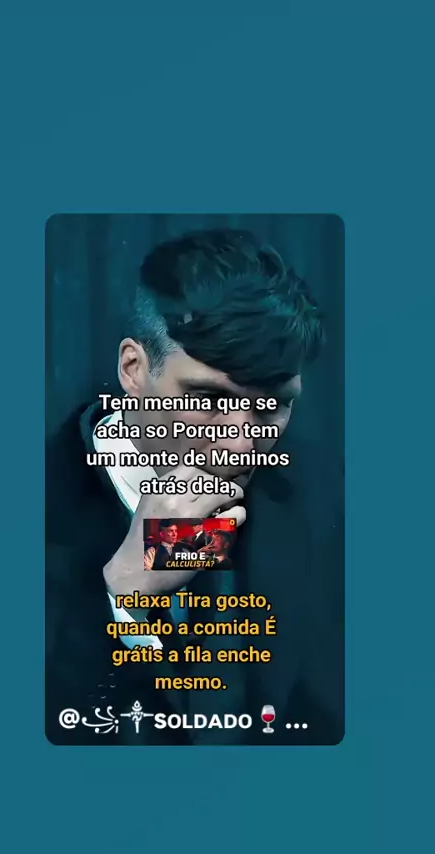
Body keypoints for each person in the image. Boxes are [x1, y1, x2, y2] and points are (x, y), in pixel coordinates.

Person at [46, 228, 343, 745]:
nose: (242, 446)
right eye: (207, 399)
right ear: (133, 369)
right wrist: (122, 597)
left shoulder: (332, 496)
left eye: (272, 404)